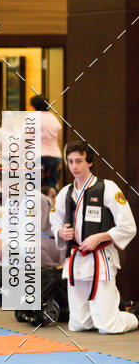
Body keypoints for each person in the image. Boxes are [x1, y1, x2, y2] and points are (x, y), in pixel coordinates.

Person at [50, 141, 138, 334]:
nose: (74, 166)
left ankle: (134, 316)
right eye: (71, 161)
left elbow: (128, 226)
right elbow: (54, 220)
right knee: (78, 325)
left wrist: (101, 237)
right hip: (76, 260)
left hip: (101, 259)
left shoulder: (108, 188)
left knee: (108, 327)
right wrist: (60, 232)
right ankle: (97, 315)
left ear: (89, 162)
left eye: (79, 161)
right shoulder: (65, 193)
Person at [30, 94, 63, 189]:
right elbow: (59, 138)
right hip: (55, 156)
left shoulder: (32, 118)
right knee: (53, 186)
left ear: (34, 106)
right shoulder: (54, 119)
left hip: (38, 156)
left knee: (36, 187)